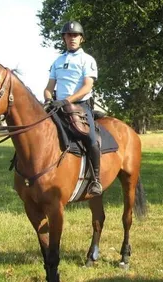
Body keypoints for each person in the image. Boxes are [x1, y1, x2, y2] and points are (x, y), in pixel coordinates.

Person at [44, 20, 102, 196]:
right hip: (58, 106)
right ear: (64, 38)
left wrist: (66, 100)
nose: (72, 38)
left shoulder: (87, 60)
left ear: (81, 38)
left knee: (91, 140)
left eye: (75, 35)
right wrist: (48, 100)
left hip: (80, 107)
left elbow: (87, 87)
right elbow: (48, 88)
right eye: (68, 35)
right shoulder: (57, 61)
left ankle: (96, 180)